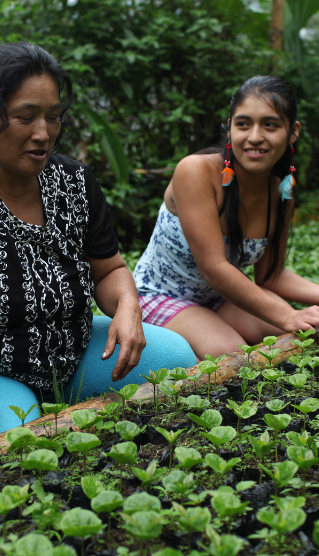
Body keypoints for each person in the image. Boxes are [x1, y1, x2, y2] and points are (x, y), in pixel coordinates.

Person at [0, 42, 196, 461]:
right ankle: (3, 406)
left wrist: (128, 306)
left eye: (53, 116)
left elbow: (108, 270)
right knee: (15, 440)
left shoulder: (75, 180)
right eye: (25, 117)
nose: (43, 133)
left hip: (71, 348)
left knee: (175, 357)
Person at [133, 76, 319, 361]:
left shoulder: (282, 191)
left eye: (270, 124)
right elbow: (215, 268)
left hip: (222, 297)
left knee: (305, 332)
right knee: (231, 354)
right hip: (160, 294)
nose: (255, 136)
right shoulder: (196, 171)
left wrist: (295, 316)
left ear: (293, 131)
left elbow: (273, 276)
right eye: (244, 124)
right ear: (230, 128)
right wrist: (288, 314)